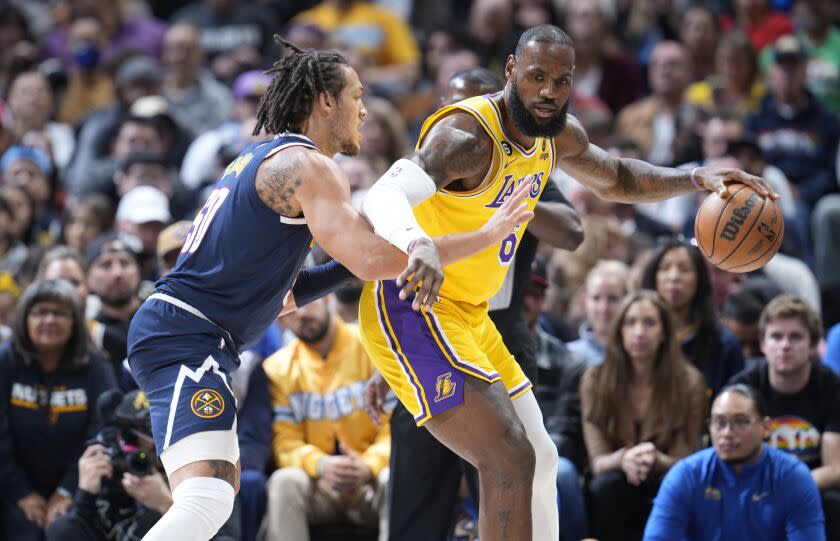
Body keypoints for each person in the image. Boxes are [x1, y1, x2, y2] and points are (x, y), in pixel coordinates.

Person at [359, 23, 772, 541]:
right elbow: (380, 196)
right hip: (414, 305)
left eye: (561, 80)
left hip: (470, 314)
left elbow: (619, 177)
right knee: (507, 454)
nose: (549, 91)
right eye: (536, 77)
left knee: (542, 455)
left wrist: (695, 176)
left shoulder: (556, 134)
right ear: (511, 70)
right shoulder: (466, 137)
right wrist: (418, 243)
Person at [126, 37, 530, 541]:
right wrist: (481, 238)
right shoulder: (310, 166)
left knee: (213, 495)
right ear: (325, 101)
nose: (363, 110)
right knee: (208, 499)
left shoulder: (264, 160)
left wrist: (354, 257)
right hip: (188, 337)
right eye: (357, 96)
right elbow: (368, 258)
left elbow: (288, 295)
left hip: (182, 332)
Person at [369, 66, 584, 541]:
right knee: (421, 499)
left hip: (498, 327)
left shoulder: (526, 156)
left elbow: (573, 231)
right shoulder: (445, 154)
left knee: (527, 460)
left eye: (475, 104)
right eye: (453, 107)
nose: (464, 118)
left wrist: (517, 194)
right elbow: (377, 246)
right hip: (425, 320)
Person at [580, 290, 706, 541]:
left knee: (674, 487)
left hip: (666, 478)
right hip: (615, 482)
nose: (639, 332)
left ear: (663, 333)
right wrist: (625, 458)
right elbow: (598, 462)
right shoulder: (594, 380)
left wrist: (655, 459)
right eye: (631, 322)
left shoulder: (690, 382)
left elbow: (687, 461)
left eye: (649, 323)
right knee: (606, 486)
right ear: (620, 331)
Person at [263, 296, 390, 541]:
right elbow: (285, 443)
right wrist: (321, 465)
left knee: (393, 477)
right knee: (283, 481)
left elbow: (396, 428)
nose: (300, 315)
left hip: (371, 484)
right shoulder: (278, 369)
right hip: (320, 486)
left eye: (306, 302)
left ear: (328, 298)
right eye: (289, 312)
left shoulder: (372, 344)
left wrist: (370, 464)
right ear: (279, 323)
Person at [0, 279, 117, 541]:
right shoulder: (5, 361)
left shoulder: (97, 366)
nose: (50, 319)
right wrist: (21, 492)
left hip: (79, 487)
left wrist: (67, 490)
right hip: (12, 486)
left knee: (63, 531)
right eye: (40, 312)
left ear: (74, 321)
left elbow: (102, 431)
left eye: (60, 313)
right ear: (24, 319)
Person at [45, 390, 240, 541]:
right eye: (132, 435)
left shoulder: (207, 467)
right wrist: (85, 497)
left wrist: (168, 505)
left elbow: (226, 538)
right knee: (62, 527)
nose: (141, 450)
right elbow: (66, 533)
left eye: (153, 432)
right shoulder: (112, 463)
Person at [643, 384, 826, 541]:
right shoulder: (686, 475)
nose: (727, 433)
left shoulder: (793, 477)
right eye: (718, 422)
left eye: (740, 422)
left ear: (766, 427)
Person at [728, 294, 840, 541]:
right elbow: (730, 455)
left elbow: (835, 468)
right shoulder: (741, 388)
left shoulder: (833, 388)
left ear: (813, 346)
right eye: (776, 337)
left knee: (833, 502)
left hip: (811, 486)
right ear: (763, 344)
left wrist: (788, 485)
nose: (785, 345)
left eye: (796, 337)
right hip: (752, 482)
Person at [641, 238, 745, 397]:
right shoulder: (637, 338)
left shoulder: (724, 344)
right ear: (653, 277)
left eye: (684, 269)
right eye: (665, 268)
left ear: (700, 279)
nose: (674, 277)